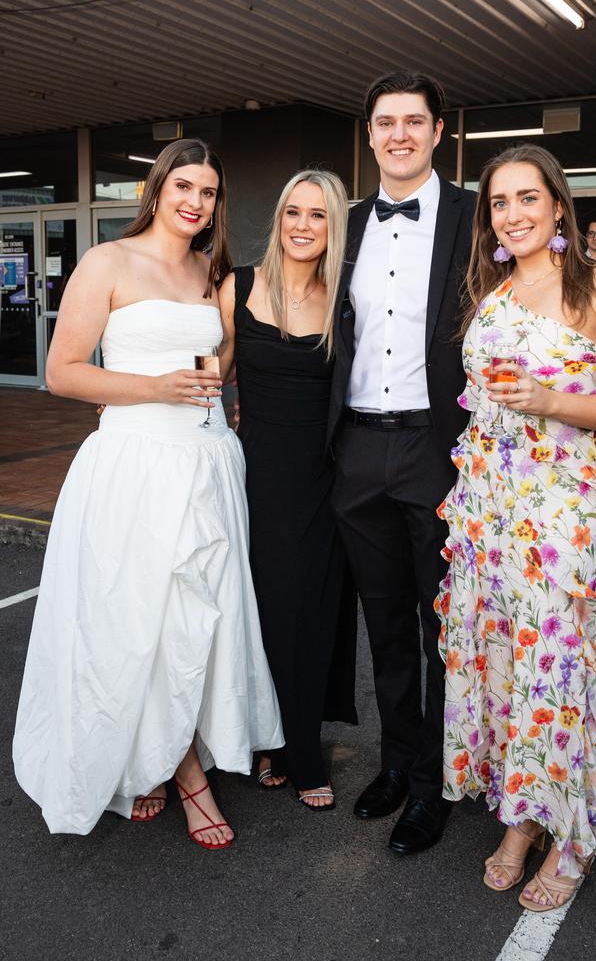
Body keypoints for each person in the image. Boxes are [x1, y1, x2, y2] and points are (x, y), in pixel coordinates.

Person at [12, 139, 283, 844]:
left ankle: (168, 754)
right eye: (184, 187)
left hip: (207, 460)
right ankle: (177, 770)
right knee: (137, 619)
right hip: (134, 465)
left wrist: (214, 374)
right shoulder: (107, 262)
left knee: (200, 615)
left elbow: (218, 360)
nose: (196, 202)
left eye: (210, 193)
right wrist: (150, 389)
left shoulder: (207, 269)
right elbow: (63, 372)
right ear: (156, 190)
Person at [435, 143, 596, 911]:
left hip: (556, 518)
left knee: (558, 669)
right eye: (499, 202)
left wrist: (552, 401)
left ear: (558, 205)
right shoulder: (491, 288)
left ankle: (573, 835)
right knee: (502, 667)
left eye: (528, 198)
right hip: (487, 513)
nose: (514, 214)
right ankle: (521, 820)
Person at [327, 70, 475, 854]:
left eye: (414, 121)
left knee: (439, 626)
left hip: (437, 447)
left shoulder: (476, 217)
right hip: (358, 449)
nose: (399, 134)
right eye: (386, 121)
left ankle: (437, 783)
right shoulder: (345, 223)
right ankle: (396, 762)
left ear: (438, 132)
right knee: (382, 623)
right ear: (371, 132)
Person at [218, 169, 357, 811]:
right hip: (253, 472)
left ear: (334, 225)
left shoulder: (344, 300)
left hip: (323, 476)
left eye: (317, 215)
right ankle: (264, 736)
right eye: (291, 212)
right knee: (257, 608)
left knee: (310, 611)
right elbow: (205, 377)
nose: (302, 226)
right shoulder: (238, 286)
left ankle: (302, 746)